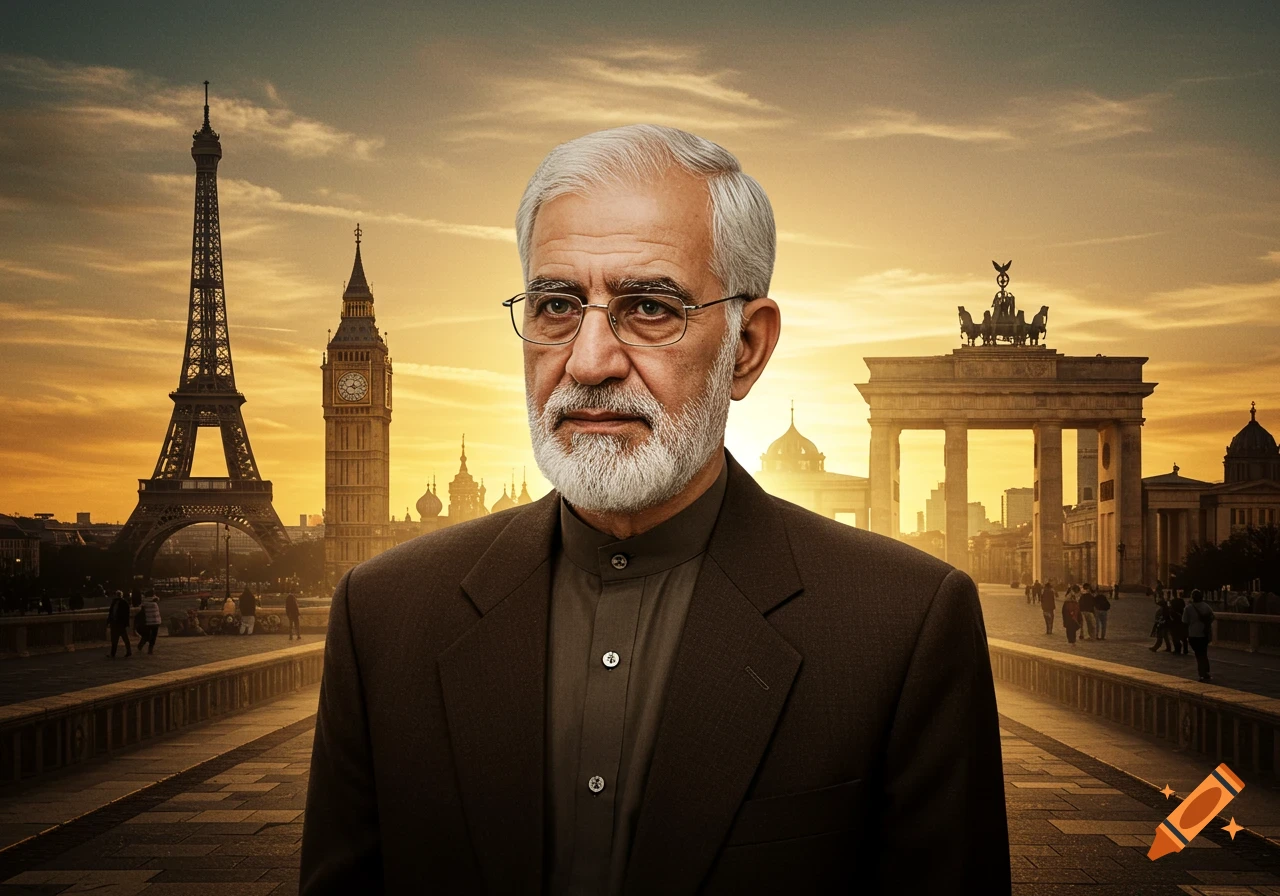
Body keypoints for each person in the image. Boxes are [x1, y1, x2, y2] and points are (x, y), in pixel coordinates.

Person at [300, 124, 1011, 894]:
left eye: (648, 308)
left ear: (747, 348)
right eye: (555, 306)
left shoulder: (902, 625)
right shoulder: (384, 616)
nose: (589, 361)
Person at [1184, 588, 1215, 682]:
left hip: (1193, 634)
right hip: (1203, 633)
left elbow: (1184, 621)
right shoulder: (1206, 606)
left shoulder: (1188, 608)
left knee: (1198, 654)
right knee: (1203, 653)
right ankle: (1205, 672)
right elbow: (1212, 617)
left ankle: (1202, 673)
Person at [106, 589, 132, 658]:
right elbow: (127, 614)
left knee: (115, 639)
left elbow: (111, 613)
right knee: (124, 639)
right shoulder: (124, 603)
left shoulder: (114, 602)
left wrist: (109, 621)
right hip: (119, 624)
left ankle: (113, 654)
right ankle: (128, 651)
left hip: (117, 624)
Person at [137, 589, 161, 654]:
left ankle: (141, 644)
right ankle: (150, 649)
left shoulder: (144, 603)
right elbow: (157, 598)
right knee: (154, 636)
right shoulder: (154, 601)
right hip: (156, 621)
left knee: (146, 635)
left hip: (147, 621)